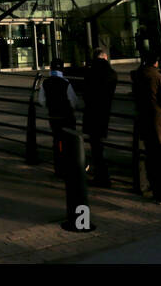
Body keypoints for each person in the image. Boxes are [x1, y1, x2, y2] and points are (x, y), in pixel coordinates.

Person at [130, 47, 161, 204]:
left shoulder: (139, 76)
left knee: (150, 157)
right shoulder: (159, 78)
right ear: (156, 62)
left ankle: (153, 187)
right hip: (160, 122)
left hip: (145, 120)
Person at [38, 57, 81, 176]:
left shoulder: (45, 83)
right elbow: (73, 100)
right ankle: (70, 165)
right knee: (70, 141)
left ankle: (58, 167)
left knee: (57, 140)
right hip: (66, 116)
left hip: (53, 115)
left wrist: (50, 105)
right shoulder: (66, 83)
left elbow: (41, 101)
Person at [83, 48, 118, 187]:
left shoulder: (91, 72)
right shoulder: (111, 73)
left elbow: (85, 92)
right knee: (99, 145)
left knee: (96, 147)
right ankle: (102, 176)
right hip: (104, 111)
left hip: (92, 112)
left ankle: (101, 176)